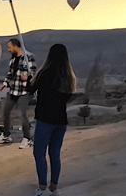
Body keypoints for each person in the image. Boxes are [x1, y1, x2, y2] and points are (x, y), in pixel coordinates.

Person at [31, 44, 76, 196]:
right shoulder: (68, 77)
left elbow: (30, 90)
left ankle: (42, 189)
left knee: (39, 153)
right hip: (61, 121)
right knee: (55, 154)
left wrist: (28, 79)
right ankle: (53, 188)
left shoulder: (44, 73)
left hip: (45, 120)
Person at [0, 38, 37, 147]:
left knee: (23, 115)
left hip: (24, 91)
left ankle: (27, 139)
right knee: (6, 111)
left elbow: (33, 73)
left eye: (9, 47)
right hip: (13, 90)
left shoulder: (28, 57)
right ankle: (6, 136)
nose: (8, 49)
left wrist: (27, 77)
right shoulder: (13, 59)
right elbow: (10, 74)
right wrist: (5, 84)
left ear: (15, 46)